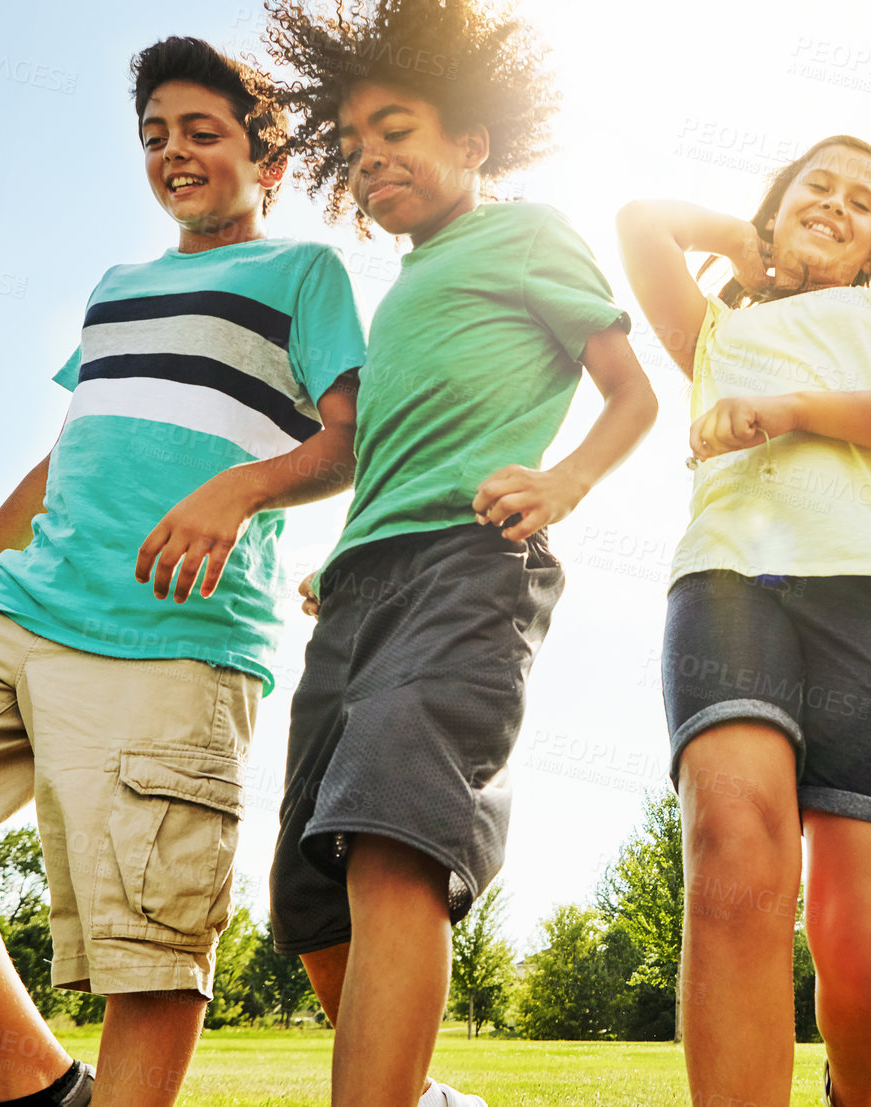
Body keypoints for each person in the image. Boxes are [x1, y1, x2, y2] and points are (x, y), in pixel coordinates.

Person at [0, 35, 367, 1107]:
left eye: (200, 132)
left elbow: (353, 440)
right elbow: (67, 451)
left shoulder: (302, 271)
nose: (172, 151)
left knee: (149, 927)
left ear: (267, 162)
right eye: (154, 135)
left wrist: (242, 486)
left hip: (172, 628)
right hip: (21, 604)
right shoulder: (117, 287)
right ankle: (38, 1089)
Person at [261, 2, 659, 1104]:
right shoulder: (399, 295)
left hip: (469, 566)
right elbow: (401, 445)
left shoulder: (528, 234)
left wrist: (564, 479)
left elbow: (632, 395)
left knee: (394, 830)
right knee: (306, 890)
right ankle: (420, 1093)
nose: (371, 157)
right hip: (361, 587)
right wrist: (344, 553)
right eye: (353, 146)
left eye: (395, 129)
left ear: (470, 143)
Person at [618, 134, 871, 1107]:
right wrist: (742, 241)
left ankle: (855, 1090)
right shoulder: (714, 334)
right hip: (726, 586)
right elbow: (638, 224)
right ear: (777, 201)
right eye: (814, 187)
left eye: (860, 203)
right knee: (733, 848)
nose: (834, 204)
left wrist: (790, 408)